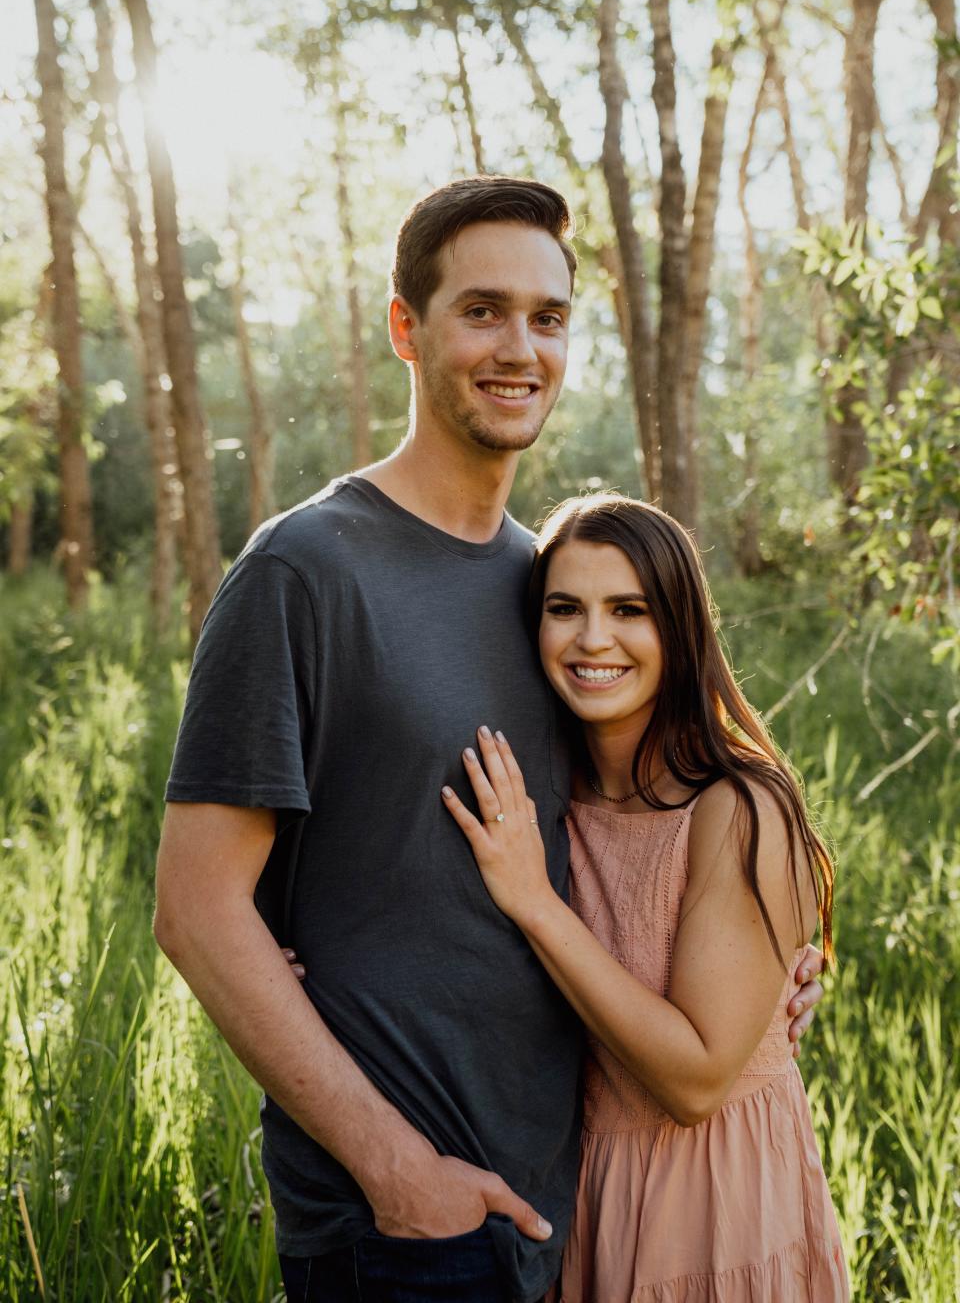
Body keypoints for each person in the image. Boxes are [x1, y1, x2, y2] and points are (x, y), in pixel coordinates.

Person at [155, 175, 825, 1303]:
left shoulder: (553, 595)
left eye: (548, 317)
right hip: (404, 1226)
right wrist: (398, 1171)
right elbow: (197, 910)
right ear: (405, 328)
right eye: (482, 310)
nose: (521, 347)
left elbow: (641, 826)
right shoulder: (306, 570)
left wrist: (767, 969)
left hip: (575, 1205)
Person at [442, 492, 849, 1301]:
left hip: (716, 1206)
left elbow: (697, 1083)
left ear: (680, 628)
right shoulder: (550, 795)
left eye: (629, 609)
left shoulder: (735, 807)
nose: (594, 639)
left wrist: (534, 902)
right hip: (582, 1192)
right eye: (566, 609)